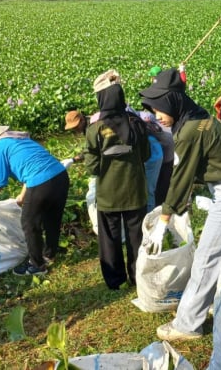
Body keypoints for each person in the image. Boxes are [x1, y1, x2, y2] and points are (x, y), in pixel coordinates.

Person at [140, 68, 221, 341]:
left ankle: (187, 324)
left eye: (159, 108)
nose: (156, 115)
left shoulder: (190, 130)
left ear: (173, 102)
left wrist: (165, 220)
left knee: (206, 259)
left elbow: (181, 178)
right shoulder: (195, 113)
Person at [0, 119, 69, 276]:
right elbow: (30, 165)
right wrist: (23, 195)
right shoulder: (18, 138)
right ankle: (50, 254)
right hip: (60, 175)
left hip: (41, 182)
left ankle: (37, 265)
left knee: (29, 223)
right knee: (52, 218)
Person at [85, 69, 150, 289]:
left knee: (110, 238)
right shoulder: (136, 122)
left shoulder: (95, 129)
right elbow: (147, 154)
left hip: (108, 194)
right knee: (136, 236)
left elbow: (92, 166)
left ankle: (115, 280)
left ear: (102, 99)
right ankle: (137, 276)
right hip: (135, 189)